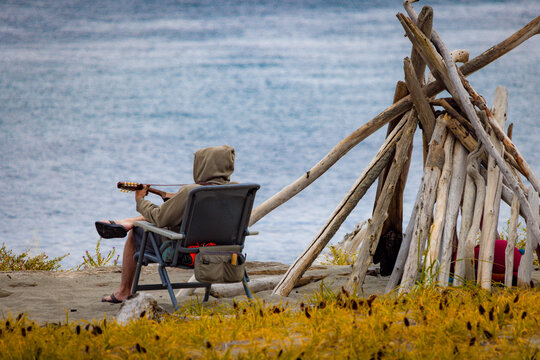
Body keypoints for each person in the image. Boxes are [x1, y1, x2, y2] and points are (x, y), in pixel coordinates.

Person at [95, 145, 236, 303]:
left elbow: (160, 218)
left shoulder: (192, 191)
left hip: (185, 253)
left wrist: (140, 199)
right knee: (168, 218)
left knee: (137, 233)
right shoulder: (238, 190)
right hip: (225, 249)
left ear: (202, 165)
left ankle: (123, 291)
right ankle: (128, 222)